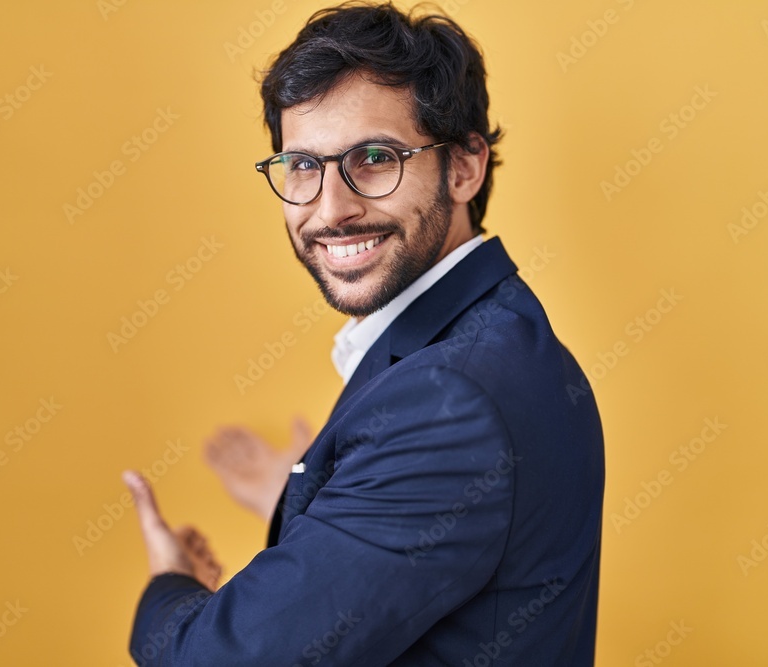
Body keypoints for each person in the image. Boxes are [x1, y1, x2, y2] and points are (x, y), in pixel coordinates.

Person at [123, 3, 605, 665]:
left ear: (465, 168)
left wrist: (169, 586)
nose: (331, 209)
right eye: (302, 166)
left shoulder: (448, 401)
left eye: (374, 158)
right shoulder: (494, 333)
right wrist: (303, 492)